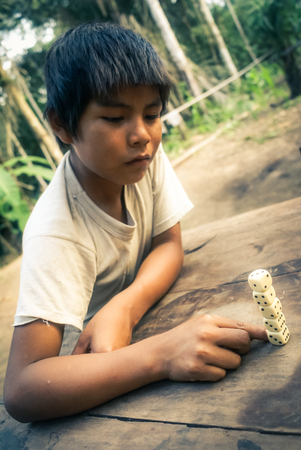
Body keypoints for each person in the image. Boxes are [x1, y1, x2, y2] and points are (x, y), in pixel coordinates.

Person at [3, 22, 267, 423]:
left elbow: (168, 244)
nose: (141, 135)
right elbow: (23, 391)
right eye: (114, 117)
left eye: (153, 114)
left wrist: (123, 307)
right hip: (110, 358)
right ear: (61, 125)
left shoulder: (143, 158)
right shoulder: (56, 231)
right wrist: (160, 356)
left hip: (141, 316)